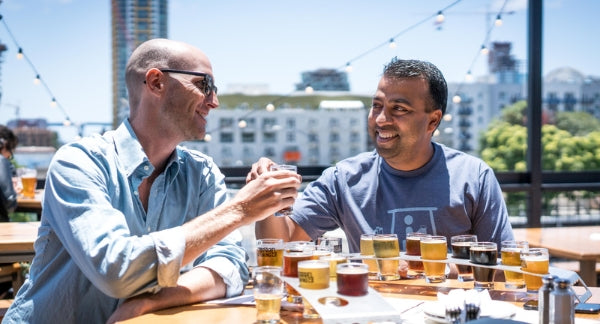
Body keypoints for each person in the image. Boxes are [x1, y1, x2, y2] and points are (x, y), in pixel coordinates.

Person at [4, 38, 300, 323]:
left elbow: (231, 265)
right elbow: (116, 270)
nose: (214, 102)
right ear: (156, 82)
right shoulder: (79, 161)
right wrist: (238, 210)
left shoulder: (201, 172)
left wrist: (152, 301)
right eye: (204, 85)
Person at [252, 58, 514, 262]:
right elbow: (281, 249)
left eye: (398, 109)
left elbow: (502, 267)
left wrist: (427, 269)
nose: (380, 120)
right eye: (377, 106)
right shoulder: (344, 179)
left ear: (432, 121)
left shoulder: (473, 177)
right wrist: (267, 197)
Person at [0, 125, 19, 222]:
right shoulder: (1, 160)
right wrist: (13, 190)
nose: (10, 155)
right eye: (10, 149)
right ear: (2, 144)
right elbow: (10, 201)